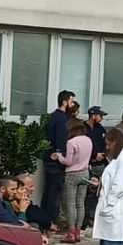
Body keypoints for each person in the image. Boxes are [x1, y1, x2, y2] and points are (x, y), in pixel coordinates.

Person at [43, 90, 76, 231]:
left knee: (49, 191)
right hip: (56, 162)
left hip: (48, 158)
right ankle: (52, 222)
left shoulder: (52, 117)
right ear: (65, 102)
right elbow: (61, 139)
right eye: (71, 101)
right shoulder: (62, 119)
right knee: (55, 192)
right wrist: (60, 154)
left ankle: (45, 220)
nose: (72, 104)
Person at [60, 119, 93, 244]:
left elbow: (68, 161)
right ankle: (78, 231)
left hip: (72, 174)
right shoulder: (88, 140)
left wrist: (59, 157)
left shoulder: (71, 142)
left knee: (70, 204)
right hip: (85, 173)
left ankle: (71, 233)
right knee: (80, 204)